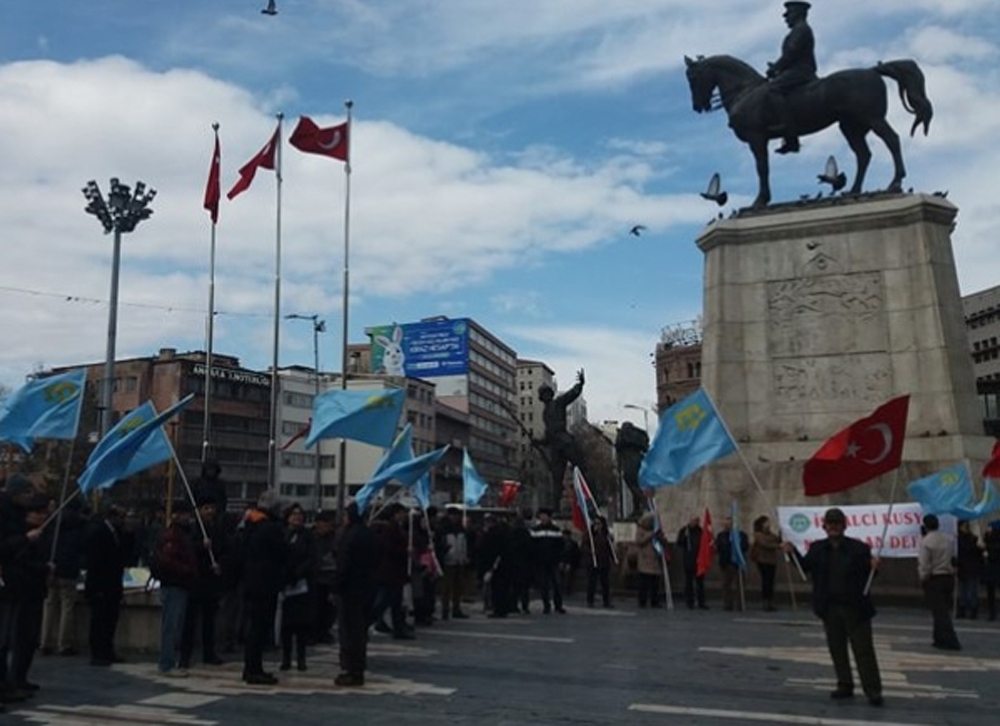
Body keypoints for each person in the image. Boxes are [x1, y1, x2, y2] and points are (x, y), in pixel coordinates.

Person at [786, 507, 883, 707]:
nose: (834, 527)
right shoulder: (817, 548)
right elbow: (805, 566)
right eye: (830, 524)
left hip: (856, 607)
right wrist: (792, 551)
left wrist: (875, 566)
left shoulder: (859, 548)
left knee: (864, 650)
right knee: (837, 648)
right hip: (830, 607)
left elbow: (869, 573)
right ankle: (845, 684)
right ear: (824, 526)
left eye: (837, 524)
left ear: (844, 526)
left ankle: (873, 689)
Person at [240, 491, 287, 685]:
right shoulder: (271, 528)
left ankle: (251, 667)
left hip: (250, 582)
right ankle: (254, 670)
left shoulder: (248, 525)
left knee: (254, 627)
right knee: (259, 628)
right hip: (266, 583)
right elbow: (282, 553)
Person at [765, 1, 817, 154]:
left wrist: (776, 68)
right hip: (794, 70)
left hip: (801, 71)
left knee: (772, 89)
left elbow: (791, 54)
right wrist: (778, 69)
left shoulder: (801, 30)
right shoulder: (797, 30)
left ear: (799, 14)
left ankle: (787, 129)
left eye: (789, 14)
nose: (785, 17)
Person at [335, 502, 377, 687]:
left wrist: (335, 587)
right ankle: (358, 668)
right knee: (360, 631)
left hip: (349, 590)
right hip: (367, 588)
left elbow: (343, 564)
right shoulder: (370, 535)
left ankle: (351, 670)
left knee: (350, 631)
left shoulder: (349, 536)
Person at [179, 498, 224, 669]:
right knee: (190, 621)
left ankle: (209, 652)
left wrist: (220, 565)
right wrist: (200, 546)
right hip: (195, 580)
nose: (210, 511)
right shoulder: (192, 528)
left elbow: (223, 549)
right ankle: (185, 655)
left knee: (209, 620)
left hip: (210, 580)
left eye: (212, 508)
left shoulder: (216, 528)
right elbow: (187, 549)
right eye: (206, 508)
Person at [154, 500, 198, 677]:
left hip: (180, 584)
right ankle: (166, 663)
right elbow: (168, 560)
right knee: (170, 626)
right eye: (186, 514)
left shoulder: (182, 534)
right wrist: (186, 570)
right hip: (174, 584)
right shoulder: (173, 535)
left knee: (175, 625)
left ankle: (169, 661)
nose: (189, 518)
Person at [84, 504, 131, 667]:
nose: (123, 520)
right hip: (101, 584)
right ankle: (97, 652)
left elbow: (124, 554)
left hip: (113, 583)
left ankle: (107, 650)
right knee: (99, 621)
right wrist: (96, 588)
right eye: (121, 517)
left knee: (110, 620)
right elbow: (96, 562)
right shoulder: (99, 532)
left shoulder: (116, 533)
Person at [535, 370, 588, 509]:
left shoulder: (558, 403)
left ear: (550, 394)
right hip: (555, 446)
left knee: (581, 467)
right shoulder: (545, 413)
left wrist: (580, 384)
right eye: (542, 394)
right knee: (556, 478)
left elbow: (571, 395)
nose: (544, 396)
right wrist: (539, 441)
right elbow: (548, 435)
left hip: (565, 442)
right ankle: (556, 506)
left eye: (546, 393)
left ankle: (591, 497)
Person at [41, 499, 86, 657]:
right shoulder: (79, 526)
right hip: (69, 569)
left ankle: (45, 642)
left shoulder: (54, 523)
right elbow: (81, 549)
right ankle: (64, 644)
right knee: (67, 606)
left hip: (53, 568)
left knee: (50, 604)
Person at [280, 504, 316, 672]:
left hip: (302, 584)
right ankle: (285, 658)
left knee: (301, 625)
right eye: (294, 514)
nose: (297, 517)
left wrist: (299, 573)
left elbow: (311, 557)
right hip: (286, 583)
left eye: (300, 515)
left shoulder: (307, 536)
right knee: (286, 626)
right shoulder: (283, 534)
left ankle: (301, 659)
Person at [917, 514, 961, 651]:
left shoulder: (926, 541)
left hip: (935, 578)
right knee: (943, 610)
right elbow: (953, 557)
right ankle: (939, 638)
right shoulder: (948, 539)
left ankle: (950, 639)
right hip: (948, 576)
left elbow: (924, 563)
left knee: (939, 612)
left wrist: (923, 577)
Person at [370, 504, 413, 639]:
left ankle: (398, 629)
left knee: (396, 603)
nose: (404, 516)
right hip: (390, 572)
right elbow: (389, 549)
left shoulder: (397, 528)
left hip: (396, 572)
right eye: (401, 513)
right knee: (383, 602)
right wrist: (404, 551)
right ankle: (367, 622)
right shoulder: (390, 529)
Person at [436, 507, 469, 620]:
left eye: (457, 515)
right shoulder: (442, 530)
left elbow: (464, 545)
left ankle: (456, 608)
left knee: (458, 587)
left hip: (459, 561)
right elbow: (438, 546)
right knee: (446, 588)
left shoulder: (461, 530)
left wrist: (465, 557)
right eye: (453, 515)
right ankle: (445, 610)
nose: (455, 518)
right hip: (447, 561)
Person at [532, 508, 566, 614]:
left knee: (557, 584)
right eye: (541, 515)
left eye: (545, 515)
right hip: (541, 562)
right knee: (544, 585)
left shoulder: (556, 530)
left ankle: (558, 605)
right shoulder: (535, 530)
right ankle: (546, 605)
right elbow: (532, 547)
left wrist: (561, 560)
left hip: (554, 561)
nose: (543, 517)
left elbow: (561, 547)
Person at [312, 510, 339, 643]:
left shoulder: (334, 538)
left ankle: (324, 631)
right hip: (316, 576)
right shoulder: (311, 537)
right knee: (315, 607)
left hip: (330, 577)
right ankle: (314, 632)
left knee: (329, 609)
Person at [716, 516, 749, 611]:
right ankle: (727, 604)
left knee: (739, 585)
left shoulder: (741, 535)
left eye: (729, 524)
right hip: (725, 563)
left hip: (738, 563)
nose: (727, 526)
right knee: (726, 585)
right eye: (726, 524)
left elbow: (745, 547)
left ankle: (740, 603)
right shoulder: (721, 535)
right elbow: (718, 548)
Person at [635, 512, 666, 608]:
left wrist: (661, 537)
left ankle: (655, 601)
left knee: (655, 584)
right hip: (645, 561)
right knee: (643, 584)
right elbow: (639, 542)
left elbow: (663, 542)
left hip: (655, 560)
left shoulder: (656, 531)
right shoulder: (640, 531)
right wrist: (650, 535)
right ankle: (642, 601)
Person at [751, 515, 782, 611]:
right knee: (766, 581)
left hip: (771, 561)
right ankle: (765, 601)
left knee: (771, 581)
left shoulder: (770, 534)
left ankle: (770, 601)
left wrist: (781, 534)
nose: (769, 524)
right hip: (762, 560)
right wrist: (778, 545)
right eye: (767, 522)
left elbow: (776, 539)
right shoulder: (758, 534)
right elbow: (765, 544)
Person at [582, 516, 614, 608]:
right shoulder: (590, 535)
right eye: (595, 523)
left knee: (605, 582)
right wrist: (590, 553)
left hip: (604, 561)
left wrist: (612, 558)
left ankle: (606, 601)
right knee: (592, 582)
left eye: (599, 524)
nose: (597, 526)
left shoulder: (605, 535)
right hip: (593, 561)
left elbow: (609, 547)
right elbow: (585, 545)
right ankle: (590, 600)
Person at [676, 516, 706, 610]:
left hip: (699, 560)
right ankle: (690, 602)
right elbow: (679, 543)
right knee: (689, 582)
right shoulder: (685, 531)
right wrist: (684, 538)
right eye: (692, 521)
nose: (693, 523)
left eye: (696, 521)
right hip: (688, 559)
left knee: (700, 582)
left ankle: (701, 602)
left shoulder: (701, 531)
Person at [955, 520, 984, 619]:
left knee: (969, 591)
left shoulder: (966, 540)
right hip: (966, 568)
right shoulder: (966, 539)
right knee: (965, 591)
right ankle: (966, 610)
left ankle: (969, 611)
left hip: (968, 568)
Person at [984, 520, 1000, 622]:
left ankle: (992, 613)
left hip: (991, 571)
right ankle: (992, 613)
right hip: (994, 570)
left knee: (991, 593)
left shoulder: (990, 543)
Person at [559, 528, 582, 596]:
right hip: (561, 562)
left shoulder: (573, 544)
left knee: (569, 576)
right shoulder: (560, 543)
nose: (565, 537)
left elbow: (576, 554)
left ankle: (567, 589)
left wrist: (570, 563)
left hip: (570, 563)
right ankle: (561, 588)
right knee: (560, 576)